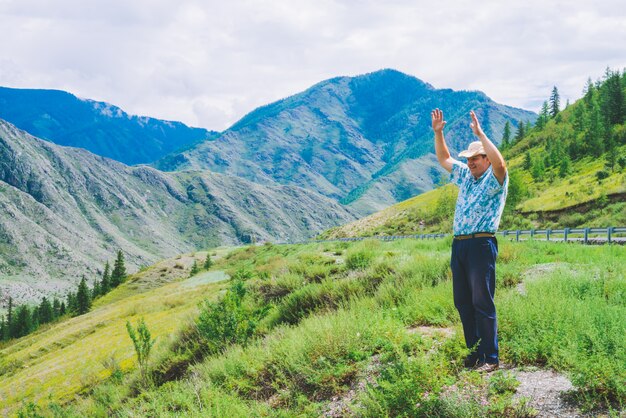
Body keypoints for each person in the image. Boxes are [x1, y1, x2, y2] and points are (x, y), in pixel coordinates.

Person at [431, 108, 508, 373]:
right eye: (470, 158)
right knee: (463, 301)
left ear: (486, 158)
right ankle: (475, 353)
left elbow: (501, 165)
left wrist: (481, 134)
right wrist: (438, 133)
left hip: (481, 245)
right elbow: (444, 159)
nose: (472, 162)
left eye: (477, 158)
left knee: (482, 301)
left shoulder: (495, 178)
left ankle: (491, 357)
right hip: (460, 245)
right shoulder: (465, 175)